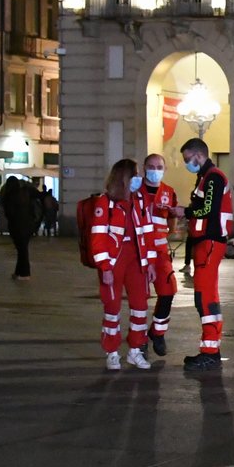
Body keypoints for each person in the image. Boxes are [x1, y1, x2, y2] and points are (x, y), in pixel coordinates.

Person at [173, 138, 233, 371]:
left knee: (205, 297)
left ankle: (210, 351)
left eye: (188, 159)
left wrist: (184, 211)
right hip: (206, 241)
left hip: (210, 241)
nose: (187, 163)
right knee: (207, 296)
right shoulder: (206, 177)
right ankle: (211, 349)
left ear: (199, 156)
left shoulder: (213, 177)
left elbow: (208, 208)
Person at [89, 158, 153, 371]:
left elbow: (147, 232)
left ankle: (135, 350)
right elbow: (97, 239)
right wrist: (105, 267)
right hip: (114, 262)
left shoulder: (140, 201)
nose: (139, 179)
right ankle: (112, 352)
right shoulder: (104, 203)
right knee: (112, 309)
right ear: (124, 178)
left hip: (136, 261)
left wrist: (150, 263)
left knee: (141, 307)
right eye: (135, 175)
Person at [137, 154, 180, 358]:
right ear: (144, 167)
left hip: (161, 253)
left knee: (168, 291)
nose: (155, 169)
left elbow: (172, 220)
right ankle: (138, 340)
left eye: (159, 166)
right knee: (139, 299)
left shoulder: (169, 192)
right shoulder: (134, 190)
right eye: (151, 166)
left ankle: (157, 332)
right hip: (138, 252)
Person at [0, 175, 40, 280]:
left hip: (16, 226)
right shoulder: (25, 193)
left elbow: (9, 214)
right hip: (28, 225)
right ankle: (18, 272)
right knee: (22, 249)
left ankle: (25, 273)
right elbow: (37, 197)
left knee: (22, 250)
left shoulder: (8, 196)